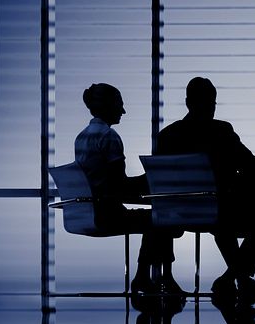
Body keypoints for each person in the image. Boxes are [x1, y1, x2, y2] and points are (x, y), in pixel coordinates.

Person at [157, 77, 255, 304]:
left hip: (179, 214)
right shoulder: (221, 131)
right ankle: (233, 278)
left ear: (187, 102)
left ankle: (238, 279)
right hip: (220, 211)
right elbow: (249, 164)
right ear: (211, 103)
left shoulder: (167, 136)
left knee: (225, 220)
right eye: (212, 103)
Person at [74, 83, 183, 295]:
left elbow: (106, 181)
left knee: (160, 221)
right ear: (107, 106)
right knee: (164, 220)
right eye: (119, 104)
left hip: (89, 212)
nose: (123, 111)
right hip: (107, 213)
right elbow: (119, 185)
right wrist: (151, 178)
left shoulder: (82, 136)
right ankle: (153, 277)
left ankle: (150, 277)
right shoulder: (109, 137)